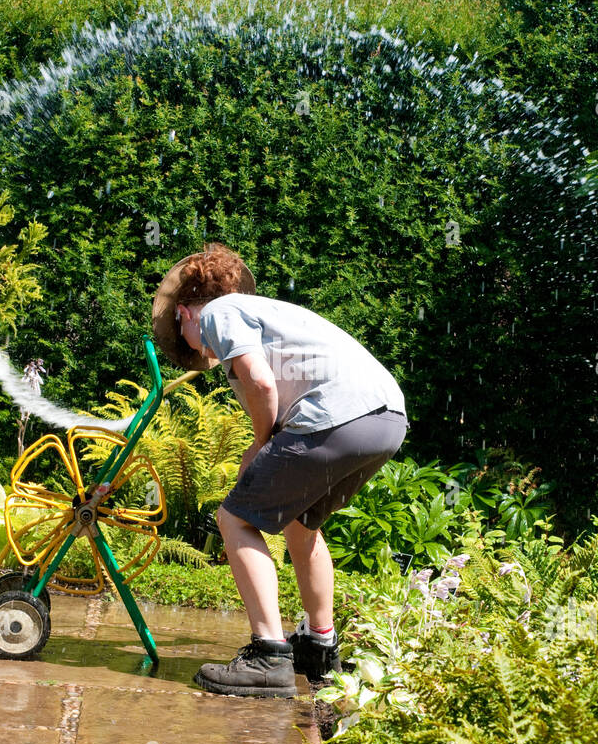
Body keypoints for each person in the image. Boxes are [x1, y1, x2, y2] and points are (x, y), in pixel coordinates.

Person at [151, 243, 408, 697]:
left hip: (336, 417)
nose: (193, 347)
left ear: (187, 311)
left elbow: (261, 381)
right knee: (300, 524)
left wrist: (259, 444)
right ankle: (318, 646)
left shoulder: (218, 312)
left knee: (235, 518)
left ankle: (269, 656)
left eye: (179, 327)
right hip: (385, 419)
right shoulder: (266, 313)